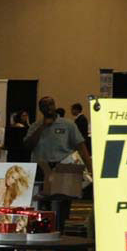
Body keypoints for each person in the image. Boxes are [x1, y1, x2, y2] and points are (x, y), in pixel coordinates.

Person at [24, 96, 92, 231]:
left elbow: (81, 147)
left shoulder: (68, 125)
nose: (48, 107)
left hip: (64, 168)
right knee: (42, 206)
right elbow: (27, 145)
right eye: (44, 105)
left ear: (55, 105)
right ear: (40, 109)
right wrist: (43, 126)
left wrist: (90, 167)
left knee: (62, 207)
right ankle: (43, 238)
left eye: (50, 104)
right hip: (42, 170)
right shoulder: (35, 126)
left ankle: (60, 237)